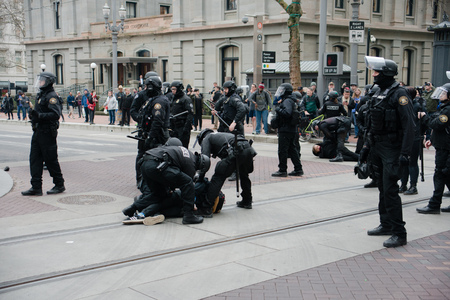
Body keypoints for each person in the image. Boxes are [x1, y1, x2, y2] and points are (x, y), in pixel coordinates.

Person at [361, 56, 415, 248]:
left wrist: (405, 153)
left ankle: (399, 233)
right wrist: (366, 148)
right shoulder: (378, 91)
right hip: (377, 145)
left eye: (377, 72)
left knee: (391, 190)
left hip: (392, 148)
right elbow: (371, 124)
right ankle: (386, 224)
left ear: (386, 73)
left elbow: (410, 126)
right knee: (382, 189)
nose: (374, 75)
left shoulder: (399, 93)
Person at [122, 140, 209, 225]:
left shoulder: (185, 153)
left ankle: (133, 208)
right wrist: (191, 205)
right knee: (188, 183)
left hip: (145, 163)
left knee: (160, 194)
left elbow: (174, 177)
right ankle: (189, 216)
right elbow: (187, 187)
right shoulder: (191, 163)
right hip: (157, 166)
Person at [195, 129, 257, 217]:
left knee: (218, 177)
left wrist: (200, 177)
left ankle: (206, 208)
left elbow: (205, 161)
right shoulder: (219, 134)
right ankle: (247, 201)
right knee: (244, 175)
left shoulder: (206, 139)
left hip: (237, 150)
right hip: (248, 148)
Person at [21, 72, 65, 196]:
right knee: (34, 159)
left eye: (42, 80)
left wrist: (39, 116)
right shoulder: (42, 94)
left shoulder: (51, 96)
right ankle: (36, 187)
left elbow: (56, 114)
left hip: (47, 133)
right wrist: (33, 115)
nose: (40, 82)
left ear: (48, 82)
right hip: (38, 131)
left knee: (50, 160)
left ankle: (59, 184)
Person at [130, 72, 171, 185]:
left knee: (161, 156)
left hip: (156, 133)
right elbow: (133, 110)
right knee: (142, 155)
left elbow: (157, 120)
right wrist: (142, 120)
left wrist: (150, 136)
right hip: (146, 130)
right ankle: (141, 179)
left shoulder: (159, 100)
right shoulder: (144, 96)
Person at [416, 82, 450, 214]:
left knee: (440, 174)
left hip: (446, 149)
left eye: (443, 93)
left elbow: (436, 124)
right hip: (443, 146)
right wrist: (432, 139)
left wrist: (424, 117)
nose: (440, 95)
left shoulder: (447, 110)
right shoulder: (444, 107)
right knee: (446, 174)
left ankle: (434, 204)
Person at [270, 83, 304, 177]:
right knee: (292, 150)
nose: (280, 91)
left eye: (282, 90)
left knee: (283, 150)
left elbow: (287, 113)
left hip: (285, 129)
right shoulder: (290, 100)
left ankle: (282, 170)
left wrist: (278, 109)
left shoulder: (287, 101)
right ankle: (298, 168)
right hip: (290, 129)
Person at [399, 87, 426, 195]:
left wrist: (423, 134)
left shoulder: (417, 106)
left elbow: (424, 122)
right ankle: (403, 184)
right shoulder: (407, 105)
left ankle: (413, 186)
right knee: (404, 162)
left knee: (412, 162)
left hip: (414, 137)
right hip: (405, 137)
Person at [169, 81, 193, 148]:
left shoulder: (186, 99)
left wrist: (186, 128)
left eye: (174, 89)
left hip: (182, 126)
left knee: (182, 147)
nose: (172, 91)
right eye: (172, 89)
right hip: (174, 126)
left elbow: (190, 114)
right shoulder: (173, 98)